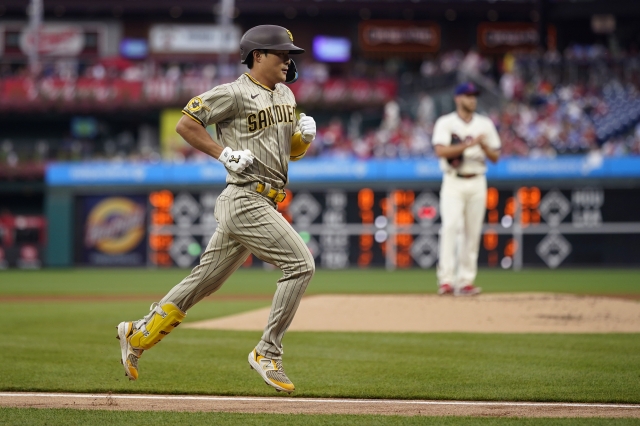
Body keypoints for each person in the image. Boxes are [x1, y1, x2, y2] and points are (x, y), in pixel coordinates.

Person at [116, 25, 317, 394]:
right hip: (243, 197)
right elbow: (186, 124)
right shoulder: (233, 93)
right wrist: (222, 153)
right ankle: (267, 352)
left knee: (205, 280)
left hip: (267, 197)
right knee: (301, 264)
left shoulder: (286, 94)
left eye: (290, 55)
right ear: (259, 56)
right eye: (282, 54)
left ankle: (138, 334)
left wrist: (302, 139)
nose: (289, 61)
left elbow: (288, 152)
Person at [431, 82, 501, 296]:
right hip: (454, 179)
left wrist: (483, 146)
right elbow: (440, 150)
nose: (472, 99)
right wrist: (467, 146)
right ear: (457, 98)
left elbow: (496, 156)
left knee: (472, 231)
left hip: (477, 179)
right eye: (468, 96)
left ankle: (466, 281)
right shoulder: (446, 122)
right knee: (451, 227)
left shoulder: (485, 124)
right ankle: (446, 281)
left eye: (474, 96)